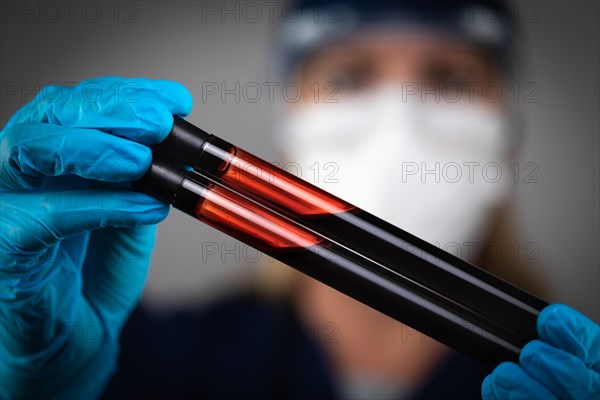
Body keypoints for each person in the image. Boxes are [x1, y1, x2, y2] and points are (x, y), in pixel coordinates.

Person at [1, 1, 598, 399]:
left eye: (449, 79)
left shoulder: (566, 371)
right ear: (291, 120)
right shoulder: (161, 363)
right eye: (349, 77)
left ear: (507, 128)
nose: (400, 117)